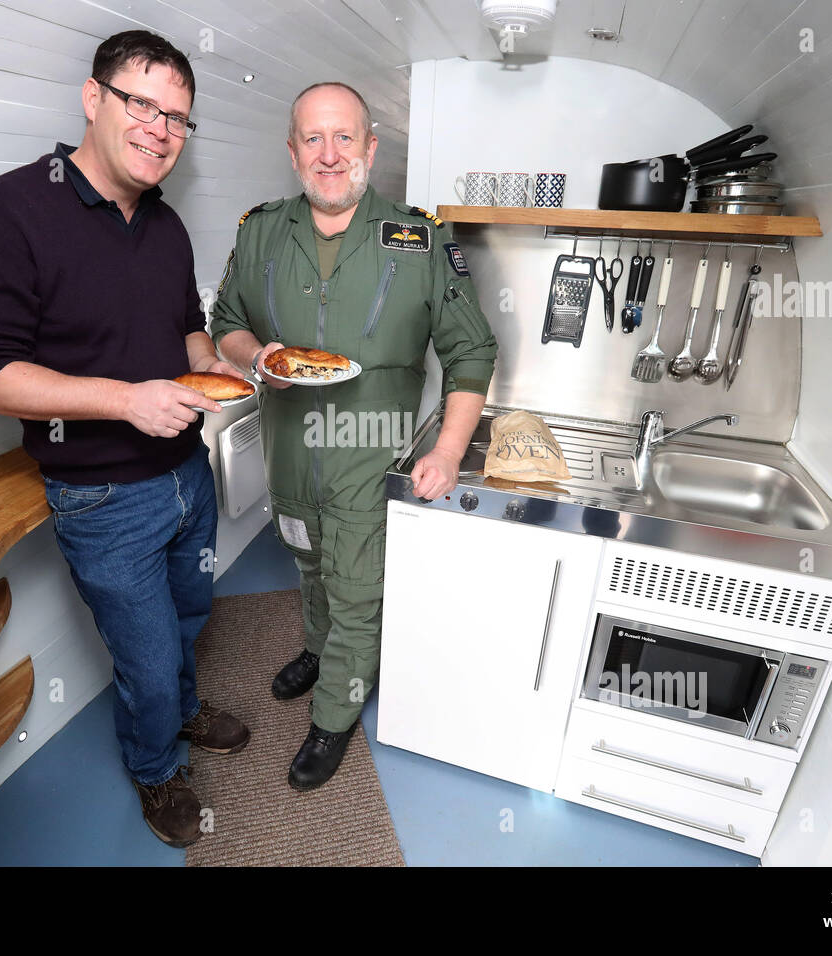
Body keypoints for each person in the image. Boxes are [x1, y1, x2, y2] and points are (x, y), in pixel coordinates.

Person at [0, 30, 250, 849]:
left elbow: (186, 335)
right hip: (103, 495)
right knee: (143, 657)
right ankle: (156, 768)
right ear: (93, 97)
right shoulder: (0, 213)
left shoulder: (167, 227)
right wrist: (125, 402)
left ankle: (181, 711)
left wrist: (231, 371)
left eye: (178, 118)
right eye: (143, 104)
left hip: (188, 472)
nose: (160, 130)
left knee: (189, 617)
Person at [210, 82, 497, 790]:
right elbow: (225, 322)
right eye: (313, 139)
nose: (329, 155)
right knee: (307, 564)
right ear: (293, 151)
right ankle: (317, 647)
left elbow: (473, 352)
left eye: (345, 138)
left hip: (369, 458)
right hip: (289, 456)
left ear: (371, 147)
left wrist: (449, 450)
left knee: (358, 586)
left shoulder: (420, 238)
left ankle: (335, 716)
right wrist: (257, 358)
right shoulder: (260, 230)